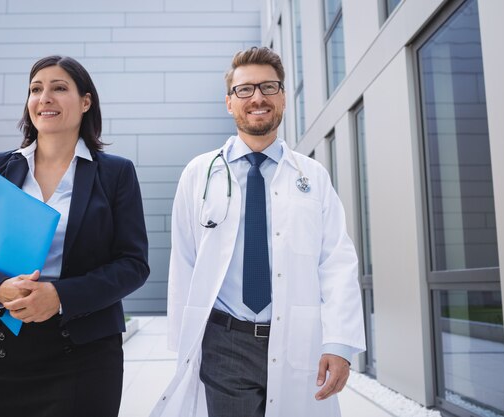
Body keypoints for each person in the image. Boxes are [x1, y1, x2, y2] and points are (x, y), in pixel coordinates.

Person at [149, 46, 365, 417]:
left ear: (282, 97)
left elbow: (337, 262)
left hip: (300, 339)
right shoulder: (199, 174)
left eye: (269, 87)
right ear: (229, 102)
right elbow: (184, 261)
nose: (258, 98)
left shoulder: (311, 177)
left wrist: (340, 344)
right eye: (245, 90)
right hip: (225, 341)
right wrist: (183, 343)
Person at [0, 55, 149, 417]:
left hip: (86, 351)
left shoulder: (116, 173)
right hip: (7, 348)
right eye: (36, 89)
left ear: (85, 102)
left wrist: (58, 297)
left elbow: (133, 264)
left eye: (59, 88)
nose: (45, 98)